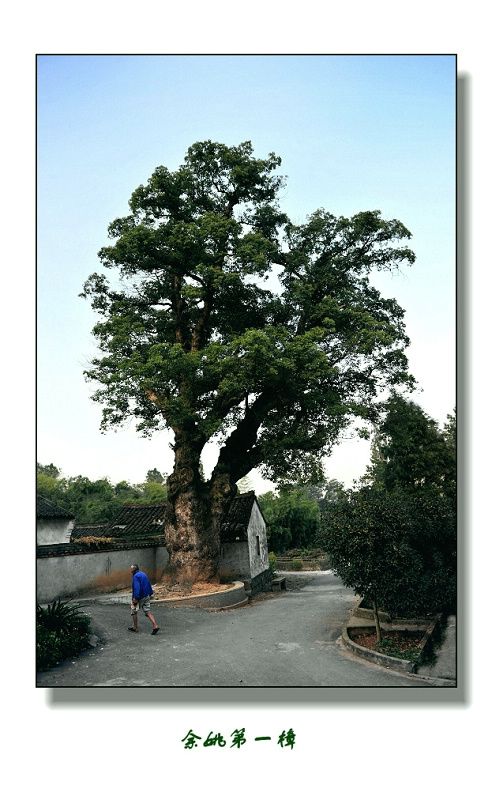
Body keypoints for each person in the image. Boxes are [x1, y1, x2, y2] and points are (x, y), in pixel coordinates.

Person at [128, 564, 160, 634]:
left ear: (133, 570)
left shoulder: (135, 576)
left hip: (140, 596)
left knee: (133, 611)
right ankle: (155, 625)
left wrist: (136, 598)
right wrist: (150, 593)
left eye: (131, 570)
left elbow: (137, 588)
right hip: (147, 595)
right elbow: (148, 584)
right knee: (147, 611)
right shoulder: (143, 574)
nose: (131, 571)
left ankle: (135, 627)